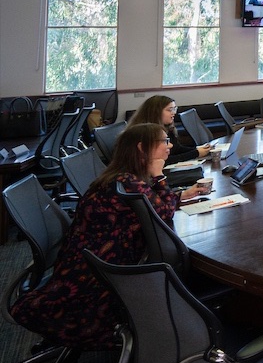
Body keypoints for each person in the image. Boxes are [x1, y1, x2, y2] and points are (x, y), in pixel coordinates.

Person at [10, 123, 206, 348]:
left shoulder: (119, 176)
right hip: (97, 283)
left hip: (83, 265)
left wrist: (179, 195)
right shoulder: (127, 182)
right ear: (142, 148)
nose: (169, 145)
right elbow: (161, 212)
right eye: (164, 141)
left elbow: (156, 205)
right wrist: (160, 175)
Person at [128, 95, 211, 164]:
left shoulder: (167, 127)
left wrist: (198, 149)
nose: (174, 112)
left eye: (174, 109)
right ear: (156, 112)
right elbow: (163, 160)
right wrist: (195, 153)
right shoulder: (144, 133)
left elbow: (177, 149)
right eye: (170, 110)